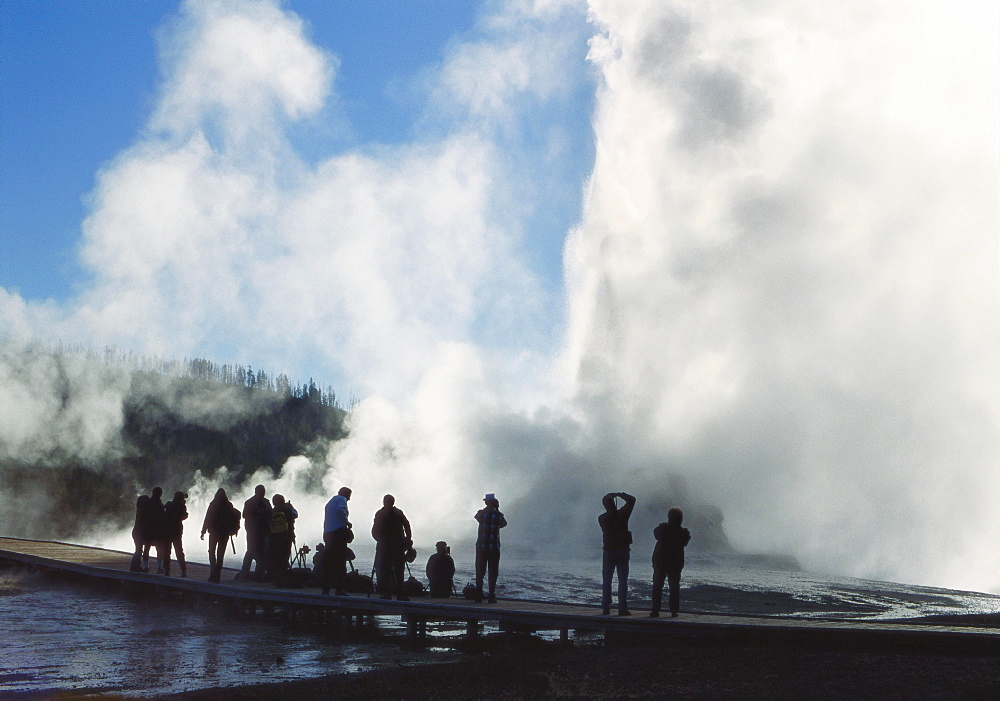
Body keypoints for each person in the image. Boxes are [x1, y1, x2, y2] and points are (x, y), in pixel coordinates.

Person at [599, 491, 636, 616]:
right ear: (614, 504)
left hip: (608, 551)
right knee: (622, 581)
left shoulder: (602, 518)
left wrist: (610, 497)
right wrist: (619, 494)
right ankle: (622, 608)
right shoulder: (623, 515)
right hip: (622, 550)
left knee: (607, 580)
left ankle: (606, 607)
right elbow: (632, 500)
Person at [650, 507, 692, 618]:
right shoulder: (683, 532)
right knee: (674, 587)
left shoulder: (663, 528)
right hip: (675, 562)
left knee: (657, 586)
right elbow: (685, 541)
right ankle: (674, 611)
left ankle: (655, 610)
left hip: (661, 561)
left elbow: (656, 534)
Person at [371, 494, 412, 600]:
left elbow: (374, 530)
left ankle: (391, 593)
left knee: (392, 570)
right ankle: (394, 593)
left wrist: (407, 539)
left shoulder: (387, 513)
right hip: (391, 545)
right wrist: (407, 539)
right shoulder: (395, 513)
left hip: (391, 545)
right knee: (392, 570)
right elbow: (407, 525)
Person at [201, 488, 239, 583]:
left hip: (214, 532)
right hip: (224, 533)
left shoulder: (213, 504)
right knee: (220, 554)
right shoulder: (229, 505)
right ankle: (217, 575)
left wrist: (203, 531)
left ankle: (213, 572)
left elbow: (208, 517)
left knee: (211, 552)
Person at [474, 493, 507, 603]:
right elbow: (503, 524)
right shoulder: (499, 515)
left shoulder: (481, 514)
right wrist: (496, 509)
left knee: (480, 571)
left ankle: (478, 595)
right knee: (493, 572)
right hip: (494, 548)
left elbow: (477, 518)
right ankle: (491, 596)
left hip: (481, 547)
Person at [321, 487, 353, 596]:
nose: (349, 498)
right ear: (346, 494)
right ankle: (340, 589)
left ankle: (326, 589)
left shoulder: (330, 502)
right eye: (349, 495)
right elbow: (340, 510)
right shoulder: (341, 499)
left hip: (328, 533)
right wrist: (346, 523)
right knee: (340, 562)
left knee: (329, 562)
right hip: (337, 533)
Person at [239, 485, 272, 581]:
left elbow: (271, 513)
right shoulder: (250, 502)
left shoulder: (266, 502)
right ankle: (244, 573)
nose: (263, 493)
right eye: (261, 491)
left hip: (264, 531)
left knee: (262, 553)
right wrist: (259, 512)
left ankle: (259, 574)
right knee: (250, 551)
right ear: (256, 492)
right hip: (253, 531)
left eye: (263, 491)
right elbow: (244, 515)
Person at [266, 494, 298, 584]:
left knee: (275, 558)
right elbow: (295, 514)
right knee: (284, 557)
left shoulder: (271, 511)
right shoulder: (287, 510)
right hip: (286, 537)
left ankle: (275, 578)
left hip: (273, 538)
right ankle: (283, 578)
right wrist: (291, 507)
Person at [163, 491, 189, 577]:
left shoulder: (169, 504)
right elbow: (184, 516)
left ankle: (167, 571)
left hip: (167, 530)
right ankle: (183, 571)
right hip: (177, 531)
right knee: (179, 551)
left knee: (167, 552)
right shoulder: (181, 506)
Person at [146, 487, 168, 575]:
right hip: (157, 529)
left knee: (147, 547)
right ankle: (159, 567)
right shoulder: (159, 504)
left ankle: (146, 566)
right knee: (159, 549)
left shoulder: (148, 503)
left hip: (148, 529)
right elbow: (162, 516)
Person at [129, 493, 150, 572]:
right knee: (138, 550)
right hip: (138, 533)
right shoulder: (142, 511)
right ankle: (133, 566)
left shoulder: (139, 510)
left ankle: (136, 565)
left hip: (136, 532)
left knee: (139, 549)